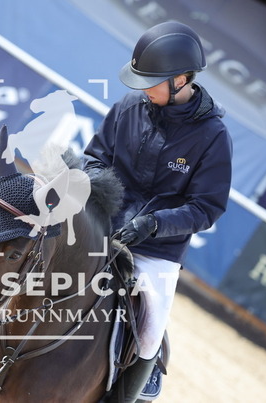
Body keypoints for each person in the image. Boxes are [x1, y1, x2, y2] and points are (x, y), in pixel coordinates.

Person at [83, 21, 233, 402]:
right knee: (33, 259)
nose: (143, 89)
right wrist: (95, 187)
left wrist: (153, 224)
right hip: (102, 225)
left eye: (151, 82)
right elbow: (95, 156)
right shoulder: (128, 107)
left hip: (156, 250)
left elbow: (206, 207)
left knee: (149, 332)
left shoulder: (214, 138)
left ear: (181, 80)